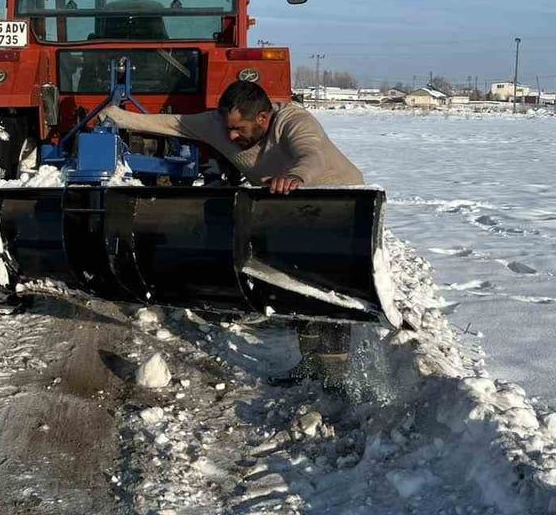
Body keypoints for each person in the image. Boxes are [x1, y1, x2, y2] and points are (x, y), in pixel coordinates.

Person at [101, 80, 365, 387]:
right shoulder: (218, 125)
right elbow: (172, 123)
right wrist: (115, 115)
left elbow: (312, 154)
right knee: (299, 285)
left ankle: (335, 378)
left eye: (239, 129)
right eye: (228, 128)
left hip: (342, 204)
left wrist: (295, 176)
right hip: (294, 206)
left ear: (263, 119)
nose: (230, 137)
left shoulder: (293, 121)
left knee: (328, 288)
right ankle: (309, 367)